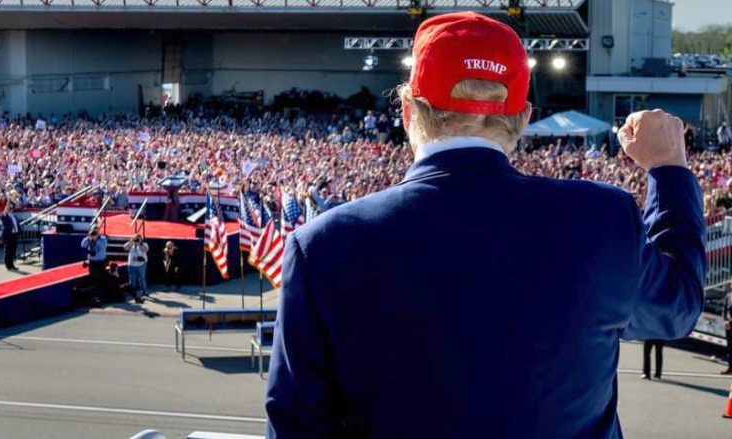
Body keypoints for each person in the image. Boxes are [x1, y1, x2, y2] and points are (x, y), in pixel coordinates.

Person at [265, 12, 706, 439]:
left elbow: (295, 424)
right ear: (524, 116)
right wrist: (668, 169)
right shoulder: (601, 219)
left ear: (406, 110)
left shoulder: (323, 245)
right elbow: (678, 307)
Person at [80, 226, 108, 292]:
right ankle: (94, 292)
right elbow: (82, 245)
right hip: (92, 262)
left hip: (101, 262)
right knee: (92, 277)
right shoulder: (89, 239)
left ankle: (101, 292)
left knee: (101, 277)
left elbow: (103, 246)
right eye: (94, 230)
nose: (95, 232)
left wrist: (96, 239)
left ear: (99, 231)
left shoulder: (103, 238)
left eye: (96, 231)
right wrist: (88, 237)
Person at [123, 234, 149, 303]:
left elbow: (145, 250)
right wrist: (131, 241)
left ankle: (144, 292)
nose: (137, 239)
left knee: (142, 278)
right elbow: (125, 248)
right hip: (131, 265)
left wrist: (139, 244)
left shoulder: (144, 244)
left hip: (141, 265)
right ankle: (132, 293)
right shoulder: (132, 244)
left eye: (139, 238)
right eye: (136, 238)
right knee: (132, 280)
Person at [0, 203, 20, 270]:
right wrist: (6, 207)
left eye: (11, 208)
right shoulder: (5, 216)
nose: (10, 210)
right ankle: (8, 265)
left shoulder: (13, 216)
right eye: (9, 209)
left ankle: (12, 264)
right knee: (8, 250)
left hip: (14, 234)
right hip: (9, 235)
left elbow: (16, 224)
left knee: (13, 250)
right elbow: (2, 216)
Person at [722, 290, 732, 375]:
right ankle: (730, 368)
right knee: (730, 348)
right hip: (728, 325)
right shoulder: (728, 295)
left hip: (731, 323)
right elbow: (724, 309)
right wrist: (725, 321)